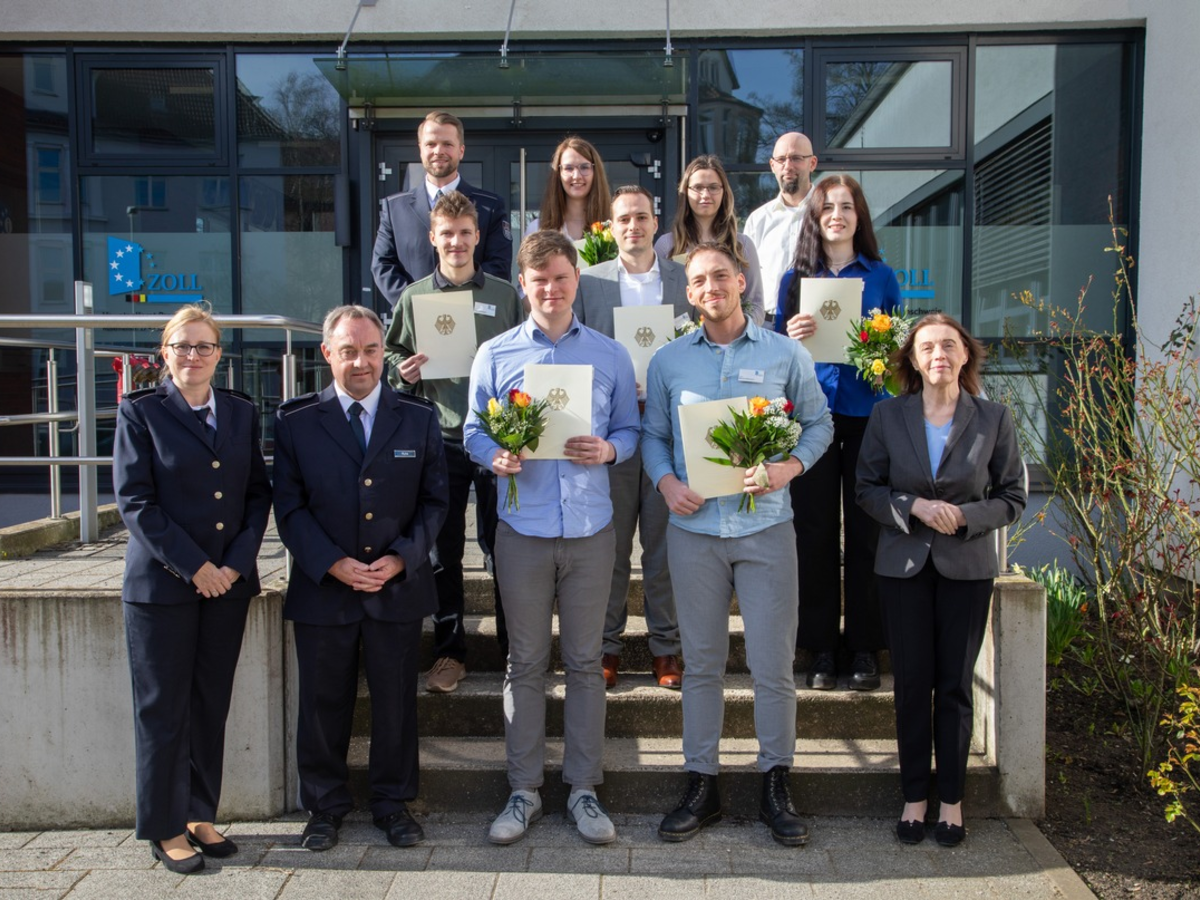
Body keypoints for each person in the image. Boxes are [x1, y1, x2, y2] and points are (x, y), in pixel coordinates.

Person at [641, 242, 833, 847]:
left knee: (772, 665)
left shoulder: (785, 352)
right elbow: (653, 436)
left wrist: (787, 468)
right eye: (699, 280)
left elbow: (819, 423)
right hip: (695, 534)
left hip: (766, 529)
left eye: (720, 276)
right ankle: (703, 784)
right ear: (689, 293)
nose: (711, 288)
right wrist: (667, 483)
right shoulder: (669, 361)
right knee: (701, 665)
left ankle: (776, 782)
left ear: (741, 280)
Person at [464, 231, 640, 846]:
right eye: (539, 280)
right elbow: (473, 430)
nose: (551, 289)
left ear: (575, 279)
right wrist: (494, 456)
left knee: (587, 663)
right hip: (523, 530)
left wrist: (610, 449)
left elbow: (631, 430)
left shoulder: (610, 354)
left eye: (561, 277)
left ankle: (584, 789)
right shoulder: (495, 354)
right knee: (525, 663)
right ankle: (524, 791)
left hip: (591, 530)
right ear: (523, 284)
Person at [273, 305, 449, 852]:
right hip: (325, 588)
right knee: (322, 705)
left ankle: (392, 804)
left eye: (371, 350)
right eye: (348, 351)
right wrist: (331, 562)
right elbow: (289, 507)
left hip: (395, 587)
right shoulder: (296, 420)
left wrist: (400, 559)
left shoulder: (417, 417)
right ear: (327, 353)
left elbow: (435, 502)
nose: (361, 362)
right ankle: (324, 807)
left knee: (395, 703)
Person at [855, 313, 1025, 847]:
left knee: (954, 686)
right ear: (912, 358)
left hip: (966, 569)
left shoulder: (993, 417)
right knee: (911, 685)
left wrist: (967, 516)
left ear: (965, 354)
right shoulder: (887, 415)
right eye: (927, 347)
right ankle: (914, 797)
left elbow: (1012, 496)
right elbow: (866, 488)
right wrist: (914, 506)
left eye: (949, 345)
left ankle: (951, 800)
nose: (939, 355)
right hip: (902, 569)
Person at [113, 304, 271, 875]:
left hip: (227, 583)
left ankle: (200, 813)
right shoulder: (141, 412)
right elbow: (136, 502)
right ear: (165, 352)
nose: (193, 356)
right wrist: (196, 567)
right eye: (182, 346)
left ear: (219, 354)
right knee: (163, 710)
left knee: (210, 703)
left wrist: (233, 565)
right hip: (163, 587)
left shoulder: (240, 411)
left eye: (204, 346)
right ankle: (164, 826)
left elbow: (257, 493)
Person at [385, 190, 524, 692]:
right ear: (432, 238)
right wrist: (401, 372)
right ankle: (449, 653)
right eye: (447, 234)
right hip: (440, 438)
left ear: (477, 236)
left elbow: (525, 355)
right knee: (443, 553)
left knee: (502, 548)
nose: (457, 242)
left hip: (495, 440)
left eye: (465, 233)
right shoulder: (414, 297)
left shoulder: (505, 296)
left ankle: (515, 654)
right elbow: (390, 353)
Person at [776, 174, 901, 693]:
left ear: (859, 216)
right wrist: (791, 334)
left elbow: (898, 354)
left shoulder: (882, 276)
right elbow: (777, 354)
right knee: (814, 532)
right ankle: (821, 645)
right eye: (828, 207)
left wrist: (880, 347)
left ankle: (865, 645)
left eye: (847, 207)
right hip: (812, 417)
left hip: (867, 413)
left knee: (868, 531)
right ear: (815, 216)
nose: (837, 216)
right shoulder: (793, 279)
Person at [576, 185, 688, 690]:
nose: (633, 226)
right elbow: (577, 349)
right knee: (613, 547)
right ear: (611, 226)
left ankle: (666, 649)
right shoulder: (589, 282)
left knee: (664, 551)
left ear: (655, 222)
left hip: (668, 431)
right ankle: (606, 647)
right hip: (613, 431)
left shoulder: (684, 278)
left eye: (641, 217)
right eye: (623, 219)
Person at [372, 110, 513, 306]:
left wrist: (459, 305)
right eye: (431, 144)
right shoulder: (395, 208)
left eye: (447, 144)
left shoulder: (490, 207)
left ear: (461, 151)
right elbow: (383, 265)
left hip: (473, 316)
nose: (439, 151)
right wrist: (417, 305)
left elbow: (499, 265)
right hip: (416, 316)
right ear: (420, 149)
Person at [654, 154, 765, 325]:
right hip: (680, 339)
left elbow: (756, 305)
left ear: (724, 192)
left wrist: (737, 332)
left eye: (713, 187)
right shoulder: (666, 246)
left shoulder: (742, 245)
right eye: (698, 187)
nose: (705, 194)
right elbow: (656, 302)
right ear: (686, 192)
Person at [743, 132, 819, 325]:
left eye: (796, 158)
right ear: (772, 165)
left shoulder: (827, 213)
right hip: (767, 325)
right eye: (781, 159)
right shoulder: (758, 220)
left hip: (818, 323)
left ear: (812, 163)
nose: (788, 166)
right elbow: (745, 278)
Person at [524, 136, 612, 244]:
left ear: (595, 172)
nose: (576, 176)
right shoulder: (537, 229)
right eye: (569, 168)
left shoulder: (614, 229)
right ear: (558, 173)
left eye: (584, 167)